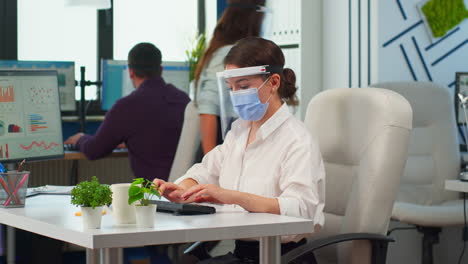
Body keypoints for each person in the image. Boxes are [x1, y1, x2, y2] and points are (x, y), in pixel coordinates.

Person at [154, 37, 325, 264]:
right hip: (243, 255)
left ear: (274, 82)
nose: (236, 94)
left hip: (283, 257)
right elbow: (206, 171)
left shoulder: (297, 140)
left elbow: (300, 210)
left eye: (243, 86)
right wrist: (182, 189)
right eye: (231, 88)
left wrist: (228, 195)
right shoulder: (239, 130)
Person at [65, 42, 190, 181]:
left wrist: (80, 139)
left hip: (154, 192)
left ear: (131, 72)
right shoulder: (183, 99)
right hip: (186, 188)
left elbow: (94, 150)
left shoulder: (126, 106)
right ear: (161, 69)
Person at [195, 0, 266, 156]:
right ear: (252, 18)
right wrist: (211, 162)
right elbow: (208, 108)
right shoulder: (228, 54)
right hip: (219, 147)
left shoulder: (226, 51)